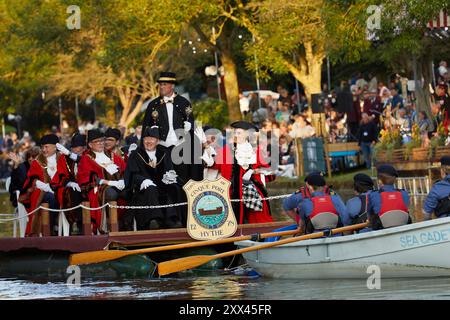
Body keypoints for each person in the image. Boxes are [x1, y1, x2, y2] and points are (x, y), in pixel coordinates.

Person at [203, 121, 273, 224]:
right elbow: (214, 164)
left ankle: (260, 231)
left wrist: (253, 171)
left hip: (251, 187)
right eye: (235, 132)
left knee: (258, 203)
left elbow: (270, 172)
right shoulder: (227, 150)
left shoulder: (256, 151)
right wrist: (207, 149)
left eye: (239, 133)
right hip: (231, 190)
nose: (236, 135)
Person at [141, 71, 203, 183]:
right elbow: (145, 127)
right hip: (161, 148)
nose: (161, 87)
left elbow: (191, 123)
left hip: (181, 147)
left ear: (173, 86)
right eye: (160, 84)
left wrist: (190, 127)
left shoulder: (184, 103)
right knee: (163, 180)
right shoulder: (153, 105)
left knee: (182, 179)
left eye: (165, 84)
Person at [123, 126, 184, 230]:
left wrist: (170, 176)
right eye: (146, 139)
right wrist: (142, 180)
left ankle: (172, 218)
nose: (148, 141)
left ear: (157, 141)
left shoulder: (164, 154)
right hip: (143, 188)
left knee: (173, 187)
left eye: (152, 139)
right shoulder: (136, 154)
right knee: (150, 189)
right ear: (142, 140)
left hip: (162, 184)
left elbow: (170, 170)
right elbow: (132, 174)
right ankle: (154, 220)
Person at [77, 129, 127, 233]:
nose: (101, 143)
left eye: (102, 140)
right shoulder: (86, 158)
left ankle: (127, 223)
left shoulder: (112, 155)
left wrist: (123, 181)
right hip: (98, 188)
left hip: (118, 185)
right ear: (90, 144)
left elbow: (124, 170)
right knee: (112, 194)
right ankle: (111, 225)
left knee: (130, 192)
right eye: (97, 141)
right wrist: (111, 183)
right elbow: (89, 178)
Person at [19, 134, 61, 236]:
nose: (44, 150)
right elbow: (33, 181)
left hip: (61, 189)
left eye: (46, 147)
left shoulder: (63, 159)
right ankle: (50, 228)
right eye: (42, 147)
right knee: (51, 198)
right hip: (43, 192)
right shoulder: (37, 162)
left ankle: (78, 227)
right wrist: (49, 188)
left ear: (55, 146)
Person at [50, 133, 86, 235]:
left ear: (84, 148)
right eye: (74, 148)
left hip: (87, 185)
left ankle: (89, 224)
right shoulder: (64, 158)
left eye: (79, 147)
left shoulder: (88, 156)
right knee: (72, 192)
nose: (77, 150)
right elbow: (61, 175)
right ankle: (77, 223)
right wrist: (69, 183)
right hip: (72, 189)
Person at [367, 165, 410, 230]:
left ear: (380, 181)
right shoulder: (404, 193)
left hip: (381, 230)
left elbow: (369, 216)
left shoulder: (373, 195)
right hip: (402, 228)